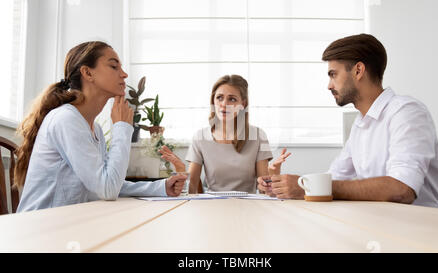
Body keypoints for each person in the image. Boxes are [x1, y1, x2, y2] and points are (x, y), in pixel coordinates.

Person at [257, 34, 438, 209]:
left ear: (358, 71)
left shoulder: (406, 112)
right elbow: (335, 179)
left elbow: (401, 189)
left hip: (427, 232)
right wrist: (285, 187)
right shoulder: (361, 124)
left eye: (333, 74)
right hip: (386, 225)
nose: (329, 85)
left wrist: (310, 187)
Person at [15, 41, 186, 212]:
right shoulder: (65, 119)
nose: (124, 74)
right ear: (87, 72)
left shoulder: (94, 128)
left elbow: (108, 182)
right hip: (41, 228)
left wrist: (161, 187)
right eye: (114, 66)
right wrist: (122, 127)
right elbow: (107, 189)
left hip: (68, 222)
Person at [159, 75, 291, 193]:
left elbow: (264, 191)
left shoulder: (258, 135)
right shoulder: (200, 137)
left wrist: (273, 174)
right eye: (219, 98)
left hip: (249, 208)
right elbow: (192, 188)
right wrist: (181, 169)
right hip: (212, 207)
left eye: (232, 99)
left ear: (242, 104)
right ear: (213, 101)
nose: (224, 104)